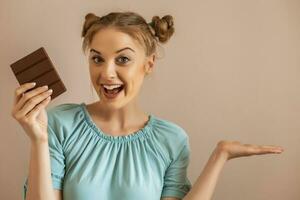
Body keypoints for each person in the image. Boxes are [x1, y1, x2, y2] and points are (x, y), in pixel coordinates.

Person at [11, 11, 284, 200]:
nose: (106, 73)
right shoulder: (58, 123)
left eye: (123, 59)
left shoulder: (171, 139)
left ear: (148, 64)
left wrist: (219, 156)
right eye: (97, 59)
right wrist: (38, 139)